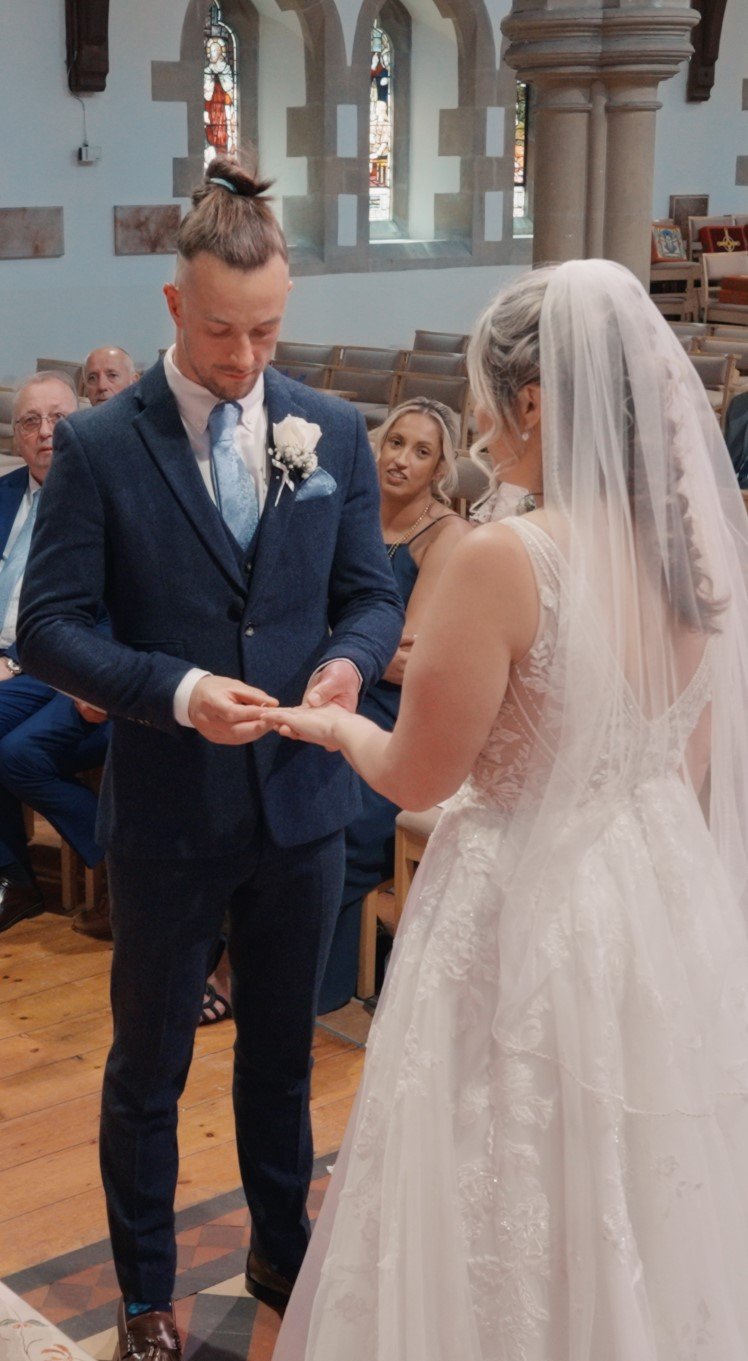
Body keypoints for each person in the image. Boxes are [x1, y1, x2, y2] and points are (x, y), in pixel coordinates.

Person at [271, 260, 748, 1359]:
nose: (478, 418)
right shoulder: (688, 552)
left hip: (520, 904)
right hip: (649, 892)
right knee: (629, 1176)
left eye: (489, 393)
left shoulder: (503, 556)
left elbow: (418, 777)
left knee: (496, 1167)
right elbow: (687, 761)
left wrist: (335, 722)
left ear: (534, 402)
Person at [17, 155, 402, 1361]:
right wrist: (177, 691)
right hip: (172, 811)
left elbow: (368, 595)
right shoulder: (98, 445)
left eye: (268, 331)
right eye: (224, 331)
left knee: (283, 1054)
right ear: (176, 309)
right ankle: (143, 1290)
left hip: (300, 804)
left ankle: (280, 1241)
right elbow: (48, 627)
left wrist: (346, 664)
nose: (246, 360)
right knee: (149, 1064)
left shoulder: (328, 425)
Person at [318, 397, 470, 1013]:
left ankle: (305, 978)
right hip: (330, 688)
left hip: (395, 717)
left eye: (421, 451)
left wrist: (330, 641)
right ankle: (245, 955)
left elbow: (412, 657)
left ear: (440, 470)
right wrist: (354, 646)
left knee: (343, 820)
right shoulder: (346, 512)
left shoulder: (447, 536)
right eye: (396, 443)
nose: (402, 460)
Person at [0, 372, 110, 935]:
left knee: (14, 751)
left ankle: (16, 878)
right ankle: (14, 879)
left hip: (64, 663)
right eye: (29, 422)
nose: (44, 433)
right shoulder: (3, 495)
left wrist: (17, 660)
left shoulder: (105, 495)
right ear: (15, 435)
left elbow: (107, 613)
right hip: (17, 664)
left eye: (58, 419)